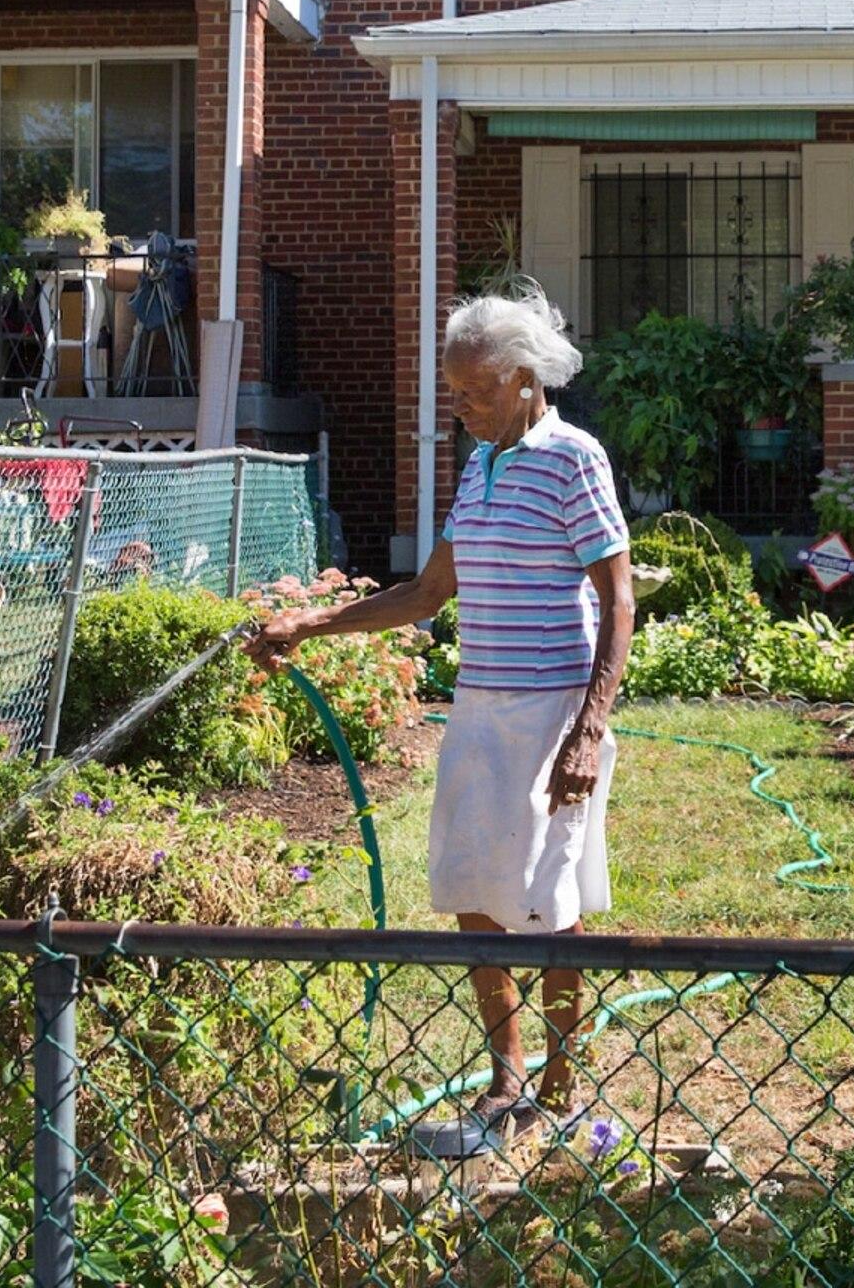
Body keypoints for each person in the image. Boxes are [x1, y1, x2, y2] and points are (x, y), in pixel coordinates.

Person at [249, 281, 633, 1158]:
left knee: (549, 905)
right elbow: (428, 593)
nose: (460, 409)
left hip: (551, 715)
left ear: (527, 380)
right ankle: (506, 1081)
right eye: (453, 393)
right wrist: (313, 621)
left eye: (475, 391)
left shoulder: (574, 458)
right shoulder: (480, 465)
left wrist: (588, 729)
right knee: (473, 895)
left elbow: (618, 601)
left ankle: (561, 1090)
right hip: (480, 712)